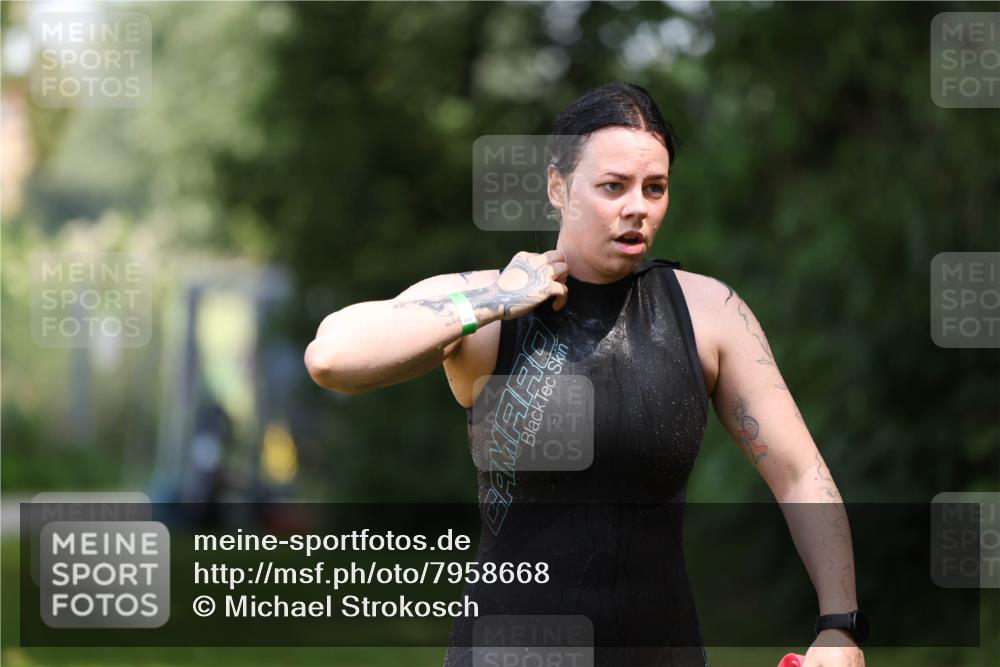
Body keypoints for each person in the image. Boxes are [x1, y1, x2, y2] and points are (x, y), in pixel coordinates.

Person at [305, 82, 866, 667]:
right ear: (558, 186)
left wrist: (840, 626)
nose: (637, 208)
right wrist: (494, 302)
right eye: (612, 187)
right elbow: (332, 357)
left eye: (655, 188)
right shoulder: (489, 305)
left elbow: (800, 473)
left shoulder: (709, 314)